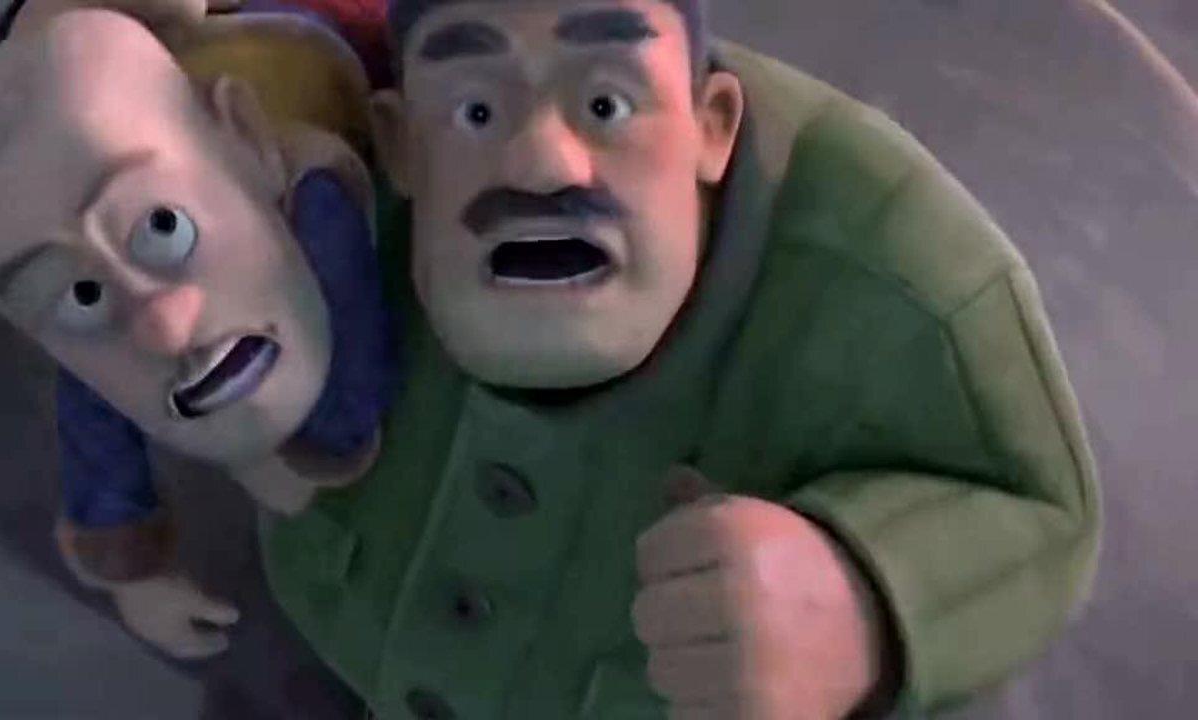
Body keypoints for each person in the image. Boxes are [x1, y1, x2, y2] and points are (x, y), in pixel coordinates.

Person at [259, 0, 1102, 716]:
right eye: (476, 111)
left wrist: (866, 598)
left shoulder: (904, 287)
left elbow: (1038, 509)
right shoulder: (323, 191)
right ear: (400, 144)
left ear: (713, 125)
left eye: (606, 106)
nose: (543, 162)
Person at [0, 2, 395, 659]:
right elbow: (95, 435)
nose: (161, 325)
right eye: (82, 295)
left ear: (247, 144)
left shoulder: (316, 196)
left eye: (164, 229)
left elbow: (354, 369)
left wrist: (314, 448)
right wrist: (134, 571)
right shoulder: (89, 345)